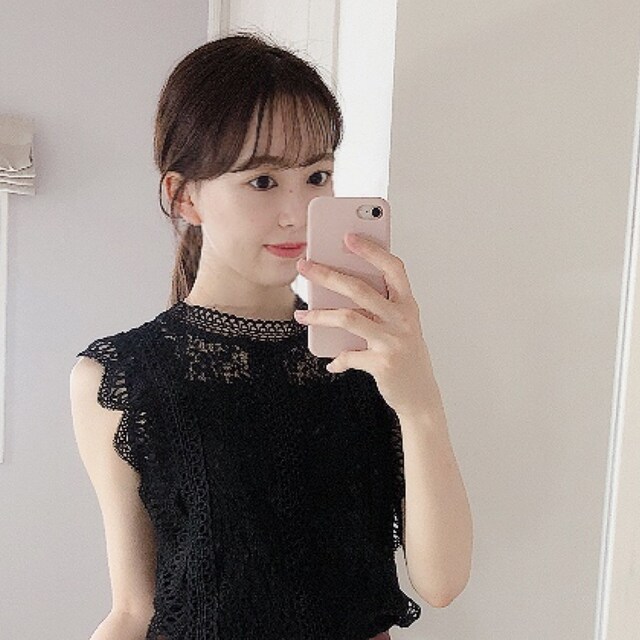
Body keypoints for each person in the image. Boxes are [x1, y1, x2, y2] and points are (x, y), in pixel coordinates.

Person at [70, 32, 469, 640]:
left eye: (317, 175)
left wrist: (421, 403)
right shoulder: (121, 378)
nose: (297, 211)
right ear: (183, 196)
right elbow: (133, 610)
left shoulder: (369, 356)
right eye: (262, 181)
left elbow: (442, 583)